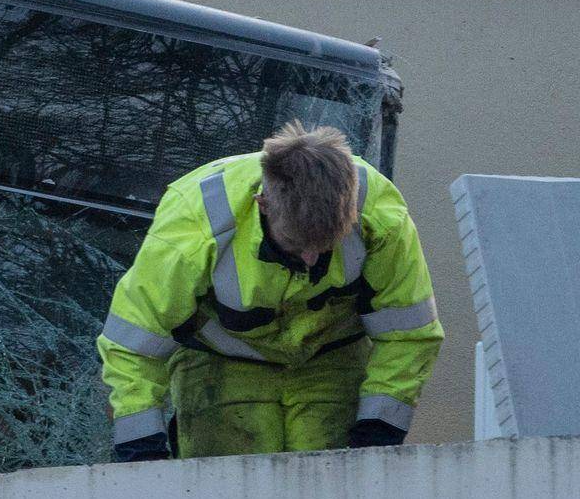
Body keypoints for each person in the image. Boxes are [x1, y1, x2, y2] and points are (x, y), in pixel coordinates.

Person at [97, 122, 443, 462]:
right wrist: (141, 447)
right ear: (263, 204)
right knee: (227, 482)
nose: (310, 258)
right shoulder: (195, 219)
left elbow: (408, 335)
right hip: (219, 365)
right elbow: (134, 342)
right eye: (295, 244)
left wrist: (378, 428)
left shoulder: (381, 217)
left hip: (332, 361)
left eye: (326, 245)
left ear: (351, 211)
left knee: (329, 480)